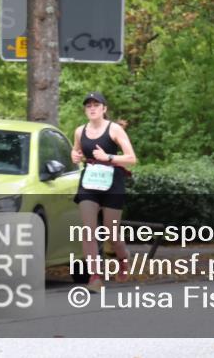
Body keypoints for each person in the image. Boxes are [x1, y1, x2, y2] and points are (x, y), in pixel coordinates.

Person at [71, 91, 138, 291]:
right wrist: (75, 156)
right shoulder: (79, 131)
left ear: (104, 109)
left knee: (111, 233)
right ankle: (95, 277)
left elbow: (131, 158)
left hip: (112, 183)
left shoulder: (114, 129)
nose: (92, 108)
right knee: (88, 230)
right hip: (89, 183)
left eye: (96, 105)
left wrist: (108, 157)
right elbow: (77, 152)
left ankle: (123, 258)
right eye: (88, 106)